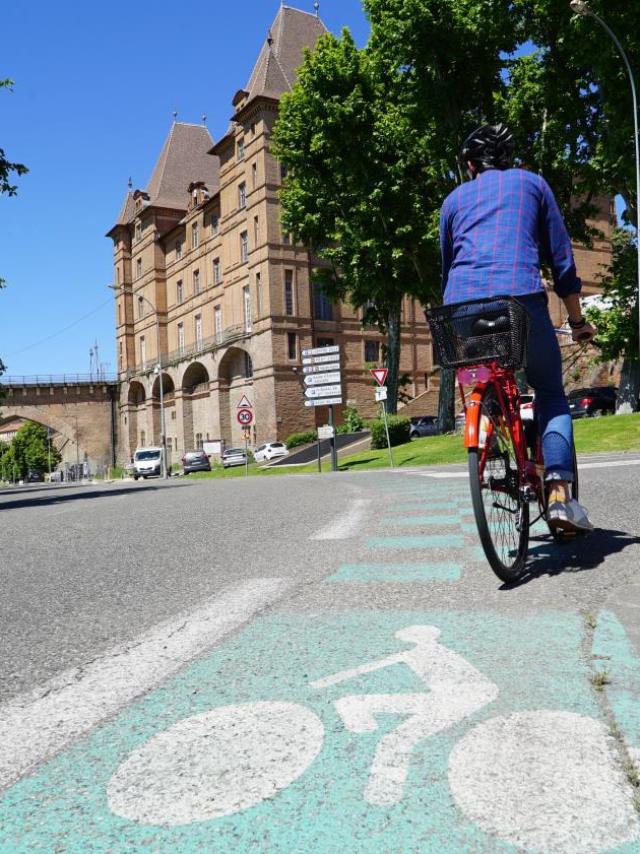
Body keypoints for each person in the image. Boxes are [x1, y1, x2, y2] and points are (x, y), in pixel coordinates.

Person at [440, 123, 595, 533]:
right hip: (520, 302)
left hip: (461, 308)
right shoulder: (533, 184)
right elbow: (562, 262)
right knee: (549, 392)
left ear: (470, 165)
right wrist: (577, 322)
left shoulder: (453, 200)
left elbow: (447, 268)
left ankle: (488, 420)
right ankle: (560, 494)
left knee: (488, 374)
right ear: (507, 160)